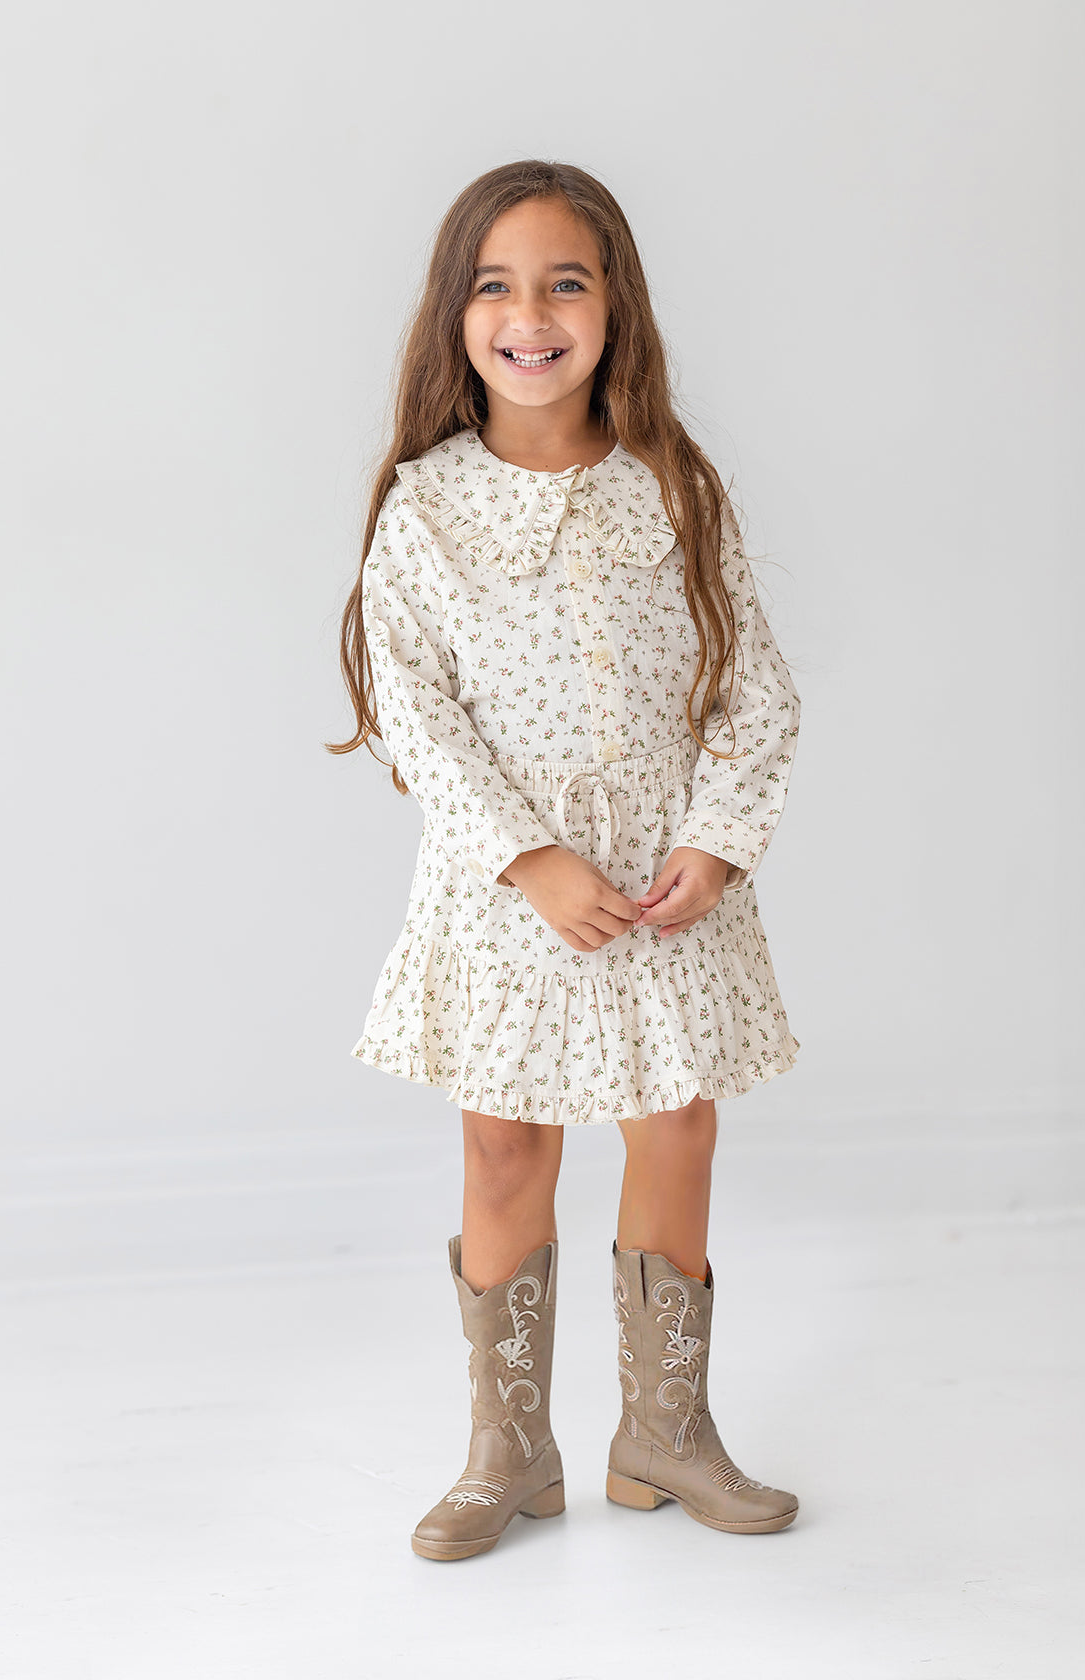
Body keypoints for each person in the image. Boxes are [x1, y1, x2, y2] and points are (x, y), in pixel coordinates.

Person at [326, 159, 804, 1562]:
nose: (528, 313)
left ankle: (662, 1433)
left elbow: (752, 686)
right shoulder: (426, 507)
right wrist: (526, 858)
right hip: (505, 894)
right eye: (495, 284)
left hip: (666, 889)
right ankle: (507, 1450)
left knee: (676, 1125)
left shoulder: (673, 486)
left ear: (613, 309)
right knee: (500, 1141)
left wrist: (714, 846)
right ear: (455, 314)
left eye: (564, 281)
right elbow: (414, 706)